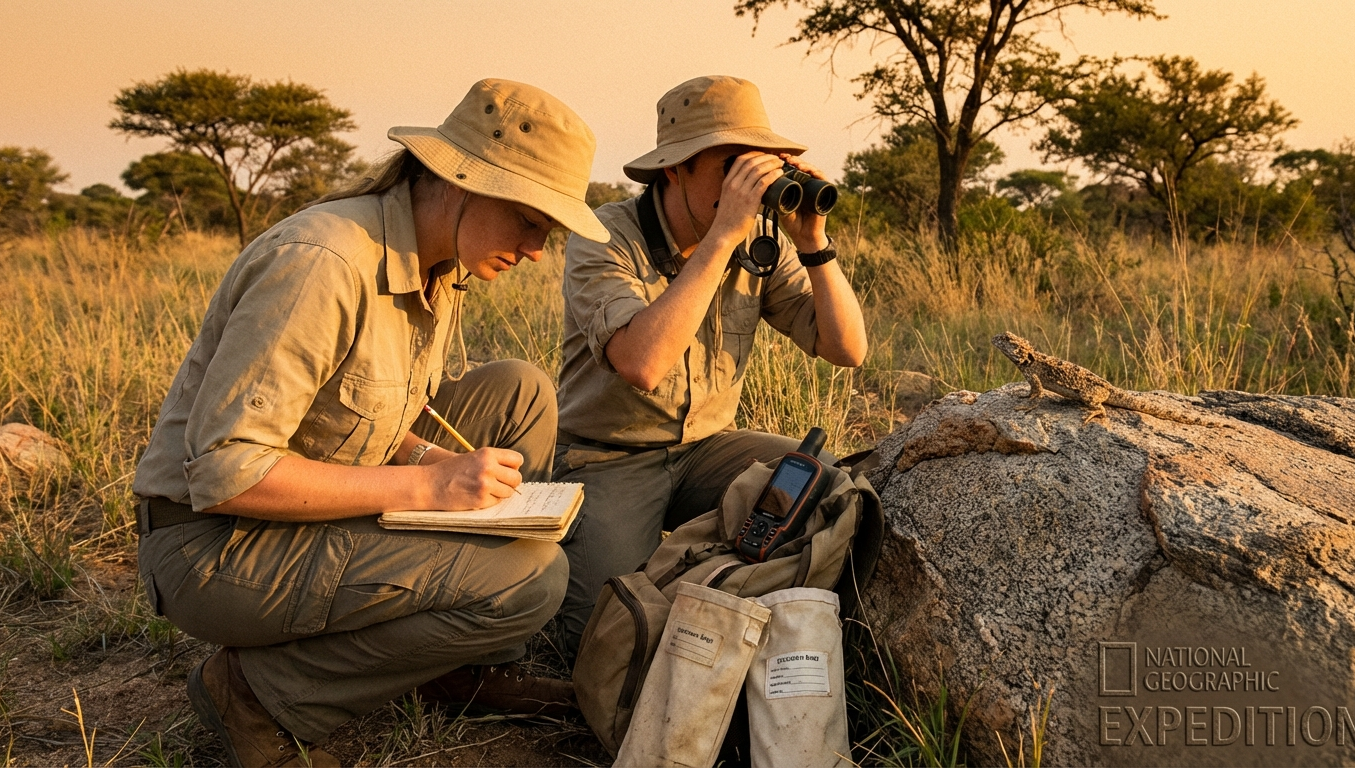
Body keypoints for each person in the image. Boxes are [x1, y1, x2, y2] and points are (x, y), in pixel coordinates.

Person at [132, 79, 610, 768]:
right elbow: (227, 474)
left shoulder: (437, 266)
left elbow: (365, 418)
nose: (538, 248)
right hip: (213, 547)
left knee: (521, 391)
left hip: (305, 502)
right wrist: (428, 487)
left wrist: (429, 461)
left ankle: (457, 663)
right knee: (530, 576)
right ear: (464, 182)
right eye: (529, 220)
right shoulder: (321, 264)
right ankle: (255, 695)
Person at [554, 76, 867, 657]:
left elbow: (847, 349)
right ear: (676, 169)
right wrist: (721, 240)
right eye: (731, 166)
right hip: (608, 455)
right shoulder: (606, 235)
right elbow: (642, 364)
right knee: (605, 631)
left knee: (823, 484)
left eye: (760, 166)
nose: (749, 185)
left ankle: (754, 606)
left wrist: (813, 242)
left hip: (706, 448)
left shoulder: (761, 241)